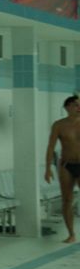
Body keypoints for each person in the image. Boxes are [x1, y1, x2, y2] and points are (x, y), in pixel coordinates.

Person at [44, 95, 80, 243]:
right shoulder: (59, 125)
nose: (79, 107)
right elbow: (51, 147)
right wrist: (47, 168)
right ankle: (71, 234)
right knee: (67, 200)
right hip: (66, 165)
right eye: (76, 105)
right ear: (67, 107)